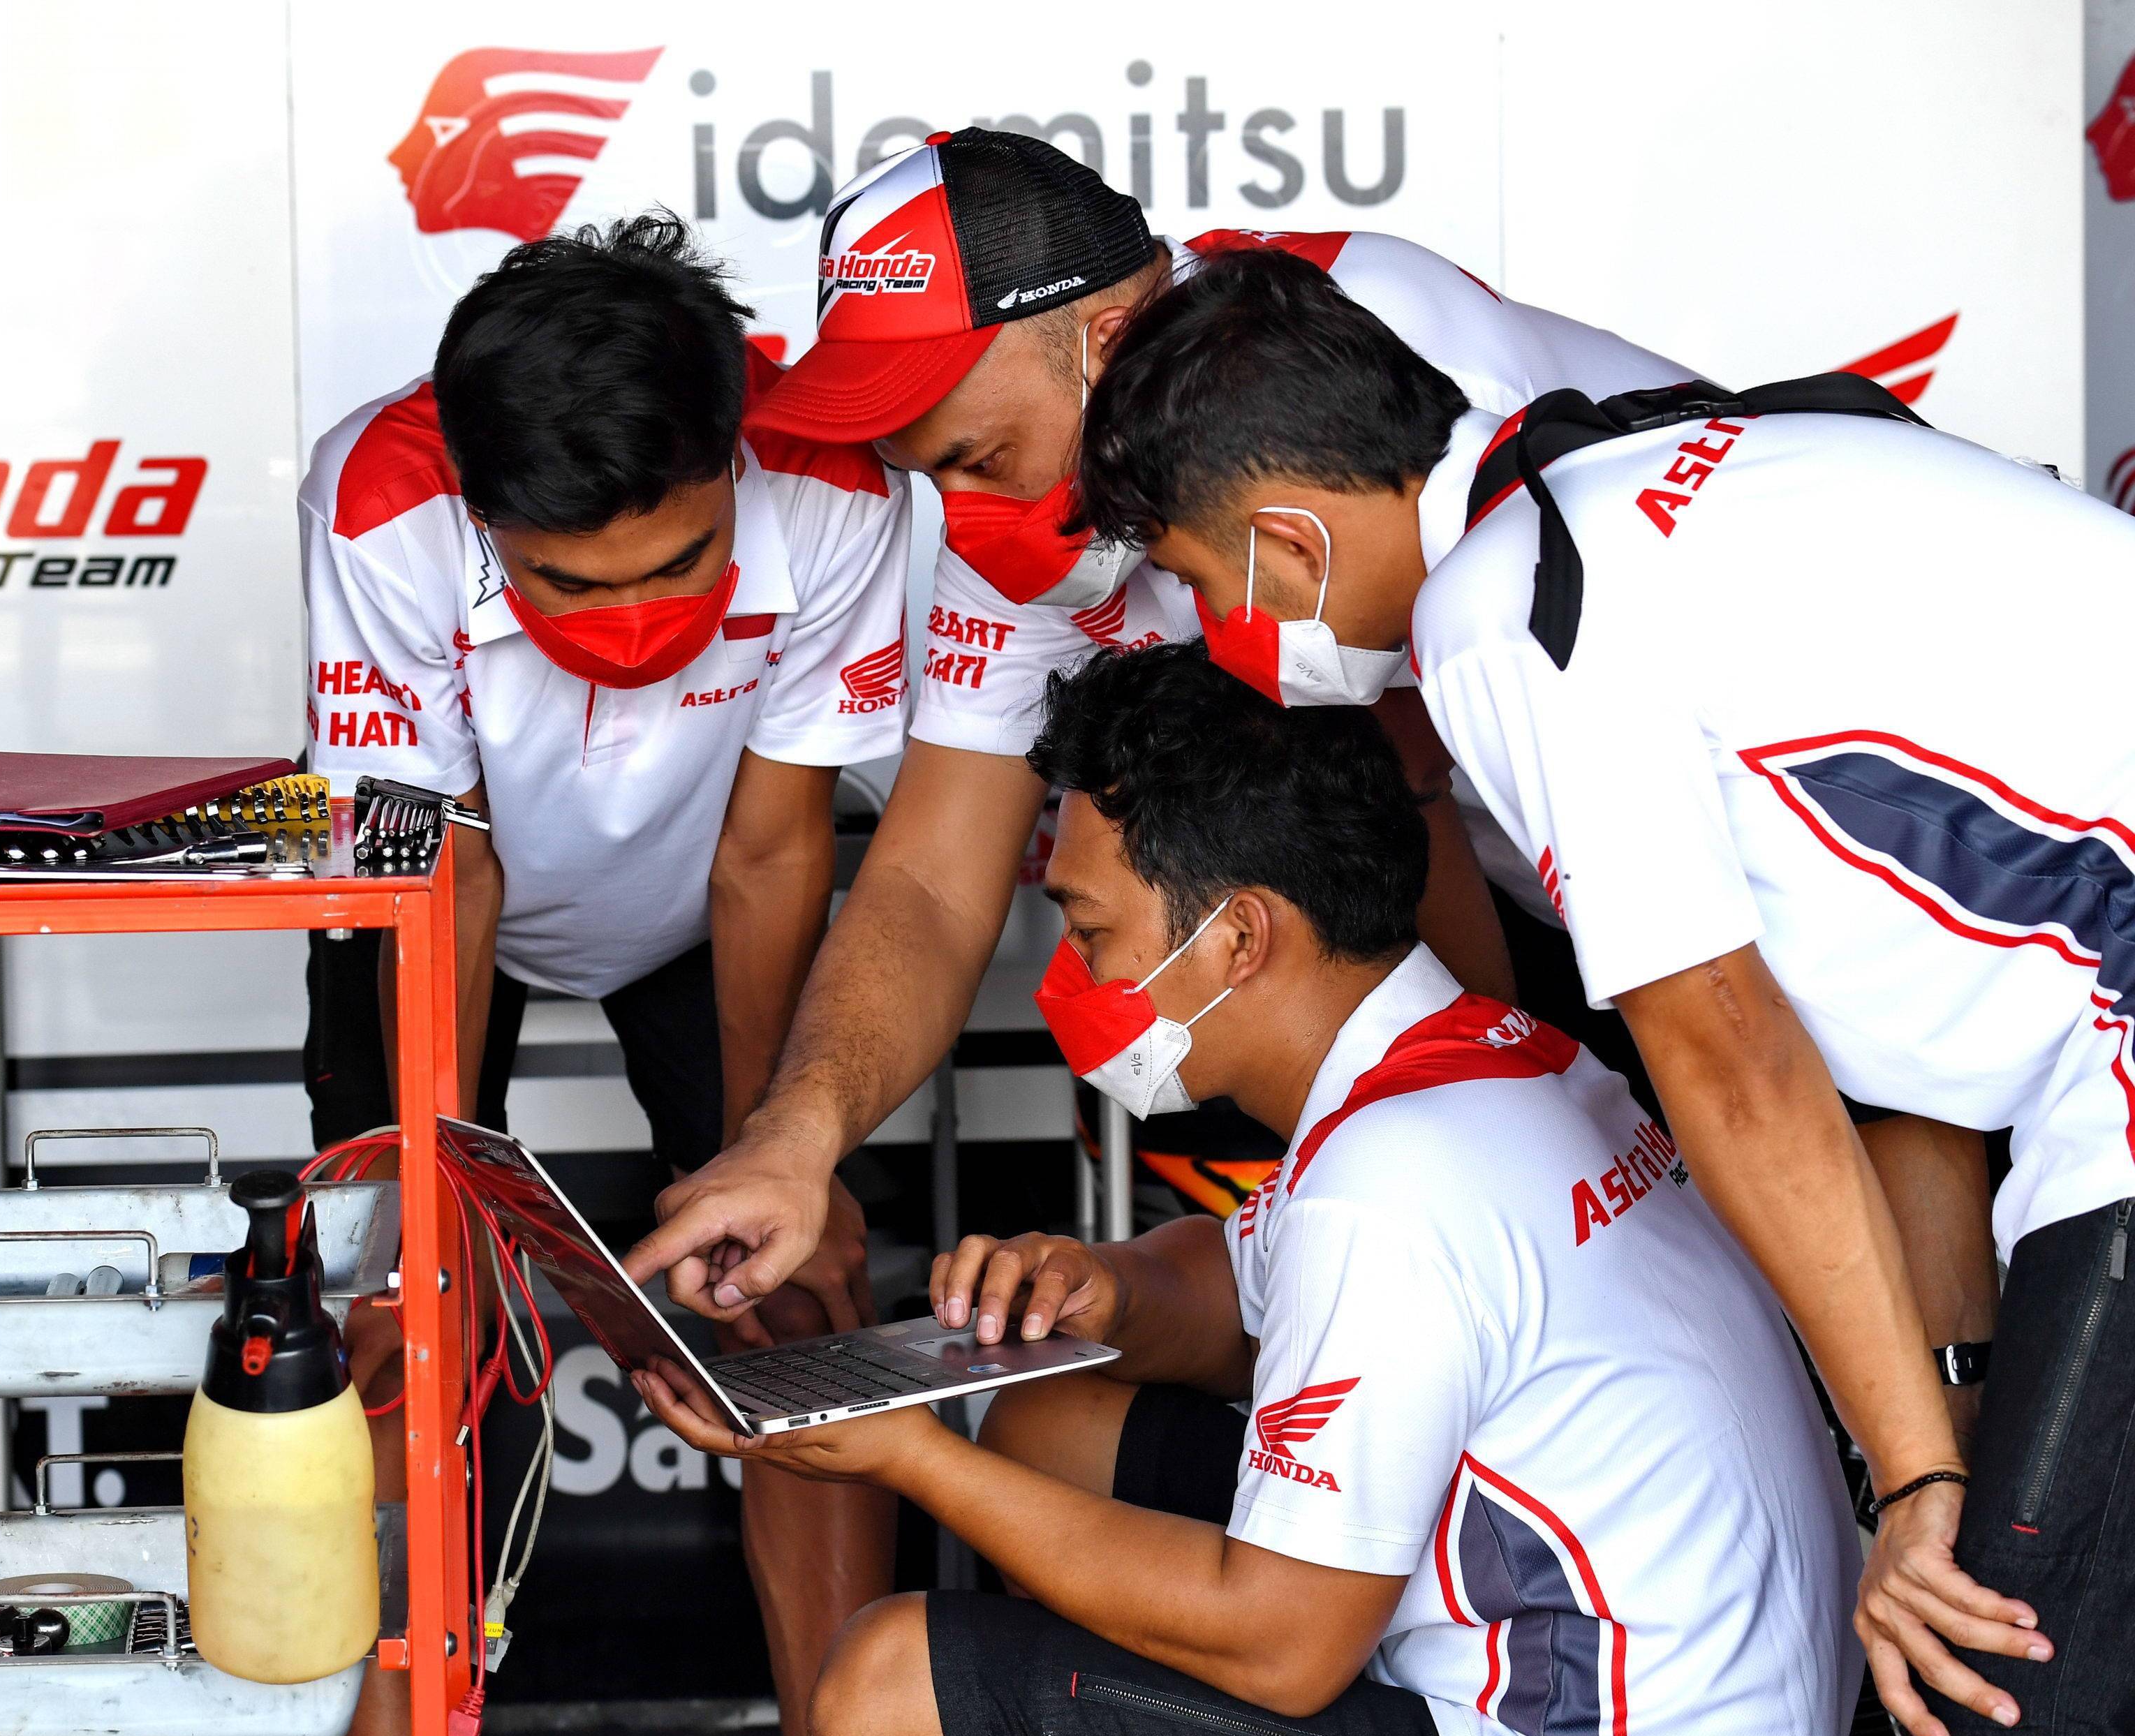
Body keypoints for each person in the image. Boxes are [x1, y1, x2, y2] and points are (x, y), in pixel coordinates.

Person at [1072, 246, 2127, 1736]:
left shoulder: (1507, 611)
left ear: (1286, 540)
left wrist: (1915, 1476)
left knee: (1999, 1702)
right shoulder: (1635, 460)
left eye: (1204, 583)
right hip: (2084, 1045)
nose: (1224, 633)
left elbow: (1732, 1060)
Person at [634, 642, 1861, 1736]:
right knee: (1050, 1429)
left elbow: (1283, 1649)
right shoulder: (1486, 1065)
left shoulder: (1389, 1187)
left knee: (890, 1698)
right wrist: (1105, 1286)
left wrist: (913, 1457)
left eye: (1092, 928)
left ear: (1237, 939)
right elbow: (1233, 1288)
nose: (1079, 974)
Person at [632, 126, 1686, 1289]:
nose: (964, 520)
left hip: (1705, 850)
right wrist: (794, 1140)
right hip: (1511, 900)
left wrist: (1499, 1118)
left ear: (1108, 341)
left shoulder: (1354, 355)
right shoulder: (1030, 518)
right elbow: (932, 880)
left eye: (980, 455)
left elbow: (1414, 774)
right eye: (930, 477)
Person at [299, 212, 906, 1736]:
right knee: (392, 1329)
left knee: (800, 1298)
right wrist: (425, 1214)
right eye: (572, 579)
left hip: (709, 892)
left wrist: (773, 1156)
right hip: (441, 895)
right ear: (481, 511)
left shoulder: (836, 485)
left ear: (731, 464)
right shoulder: (377, 501)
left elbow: (771, 850)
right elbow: (446, 867)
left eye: (679, 566)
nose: (633, 618)